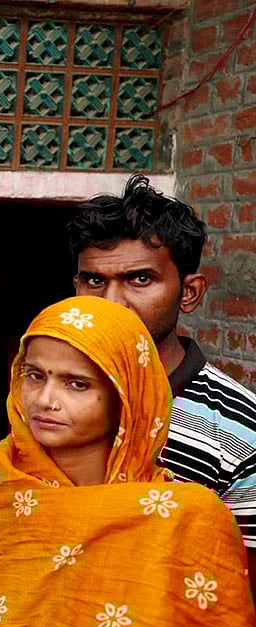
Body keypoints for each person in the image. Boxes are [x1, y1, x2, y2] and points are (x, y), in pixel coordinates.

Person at [0, 296, 254, 627]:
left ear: (126, 393)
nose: (46, 399)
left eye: (77, 384)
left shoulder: (184, 519)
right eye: (35, 375)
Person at [68, 174, 256, 592]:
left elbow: (241, 594)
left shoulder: (239, 431)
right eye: (95, 281)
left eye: (139, 279)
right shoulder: (46, 400)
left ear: (188, 292)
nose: (112, 304)